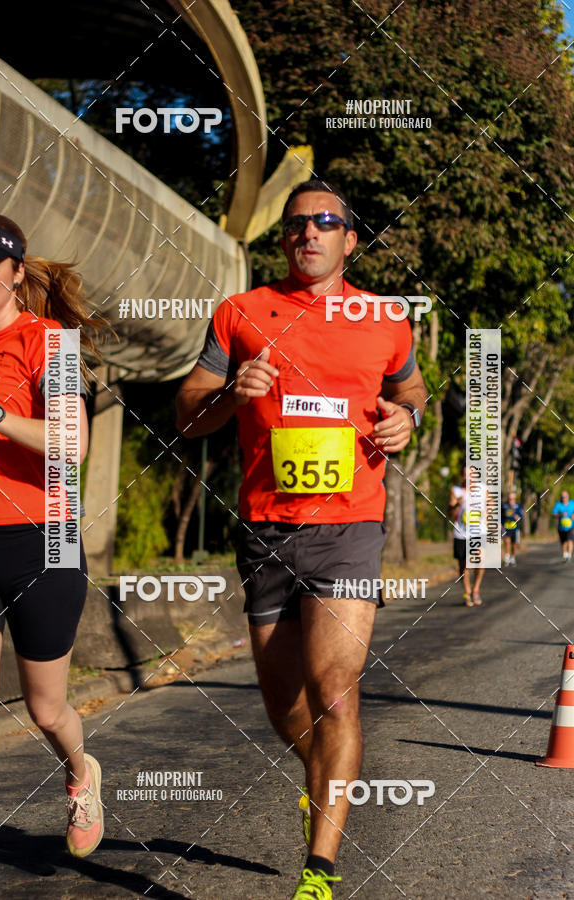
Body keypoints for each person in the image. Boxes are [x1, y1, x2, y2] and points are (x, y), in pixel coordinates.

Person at [176, 179, 426, 900]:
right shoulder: (243, 313)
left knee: (336, 693)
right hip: (265, 529)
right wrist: (229, 394)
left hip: (349, 526)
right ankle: (322, 779)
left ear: (350, 239)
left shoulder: (385, 318)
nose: (309, 232)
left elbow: (410, 391)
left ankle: (319, 867)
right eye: (296, 224)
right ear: (283, 239)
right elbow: (189, 414)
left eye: (326, 222)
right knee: (284, 703)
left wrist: (405, 418)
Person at [0, 215, 105, 859]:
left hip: (44, 541)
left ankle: (81, 772)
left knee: (46, 709)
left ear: (16, 272)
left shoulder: (48, 343)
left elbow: (71, 443)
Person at [448, 467, 486, 606]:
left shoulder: (483, 489)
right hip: (461, 533)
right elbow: (450, 513)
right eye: (465, 474)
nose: (467, 477)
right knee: (463, 566)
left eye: (470, 474)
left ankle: (476, 589)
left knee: (480, 560)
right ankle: (467, 592)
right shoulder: (456, 490)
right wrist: (458, 502)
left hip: (479, 531)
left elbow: (489, 507)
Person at [501, 490, 523, 565]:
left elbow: (521, 516)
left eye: (512, 499)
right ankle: (507, 557)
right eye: (509, 499)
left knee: (514, 544)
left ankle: (513, 557)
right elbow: (500, 515)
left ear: (514, 499)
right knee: (507, 542)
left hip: (515, 528)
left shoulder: (518, 506)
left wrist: (518, 518)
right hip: (506, 528)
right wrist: (500, 523)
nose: (510, 500)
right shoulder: (504, 506)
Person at [551, 490, 574, 561]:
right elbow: (553, 514)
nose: (564, 498)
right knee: (564, 542)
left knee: (570, 540)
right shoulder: (558, 504)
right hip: (561, 527)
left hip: (571, 526)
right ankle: (565, 554)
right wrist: (561, 514)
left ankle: (569, 555)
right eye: (562, 497)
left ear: (568, 497)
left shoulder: (572, 503)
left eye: (565, 497)